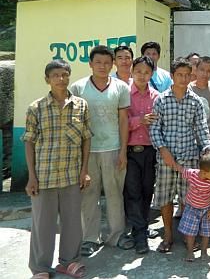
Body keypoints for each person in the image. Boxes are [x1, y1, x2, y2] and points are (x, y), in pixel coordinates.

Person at [24, 60, 91, 279]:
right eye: (56, 75)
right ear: (47, 79)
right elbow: (29, 142)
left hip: (72, 174)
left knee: (72, 223)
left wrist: (84, 171)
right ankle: (41, 268)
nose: (61, 79)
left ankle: (69, 262)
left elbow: (86, 139)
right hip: (44, 176)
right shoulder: (36, 108)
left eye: (64, 75)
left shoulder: (81, 105)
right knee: (43, 225)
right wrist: (31, 176)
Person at [70, 45, 130, 256]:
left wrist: (123, 150)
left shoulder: (121, 87)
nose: (102, 66)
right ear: (90, 64)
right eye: (98, 62)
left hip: (113, 148)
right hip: (87, 151)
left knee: (115, 194)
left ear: (112, 64)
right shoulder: (78, 88)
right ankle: (90, 238)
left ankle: (116, 235)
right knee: (88, 194)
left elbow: (124, 121)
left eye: (107, 62)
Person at [149, 57, 210, 253]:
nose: (184, 79)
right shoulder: (161, 99)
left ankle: (188, 235)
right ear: (172, 76)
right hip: (166, 160)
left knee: (189, 199)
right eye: (180, 75)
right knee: (166, 198)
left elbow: (201, 127)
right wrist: (162, 149)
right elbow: (154, 128)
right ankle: (167, 235)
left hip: (189, 158)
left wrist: (207, 149)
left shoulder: (196, 102)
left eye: (187, 75)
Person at [124, 56, 159, 254]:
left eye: (146, 72)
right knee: (133, 192)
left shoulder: (156, 96)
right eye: (138, 71)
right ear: (132, 71)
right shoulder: (124, 94)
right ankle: (139, 235)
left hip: (150, 150)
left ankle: (142, 226)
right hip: (130, 151)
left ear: (151, 74)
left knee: (147, 191)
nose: (142, 75)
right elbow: (119, 124)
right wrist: (140, 120)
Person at [176, 153, 210, 262]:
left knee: (206, 232)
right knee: (190, 232)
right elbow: (181, 169)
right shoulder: (192, 174)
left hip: (207, 210)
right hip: (191, 208)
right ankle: (190, 252)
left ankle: (204, 251)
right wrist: (173, 163)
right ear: (205, 172)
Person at [189, 56, 210, 149]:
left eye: (209, 71)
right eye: (202, 70)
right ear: (195, 70)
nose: (205, 74)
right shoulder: (188, 88)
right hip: (191, 140)